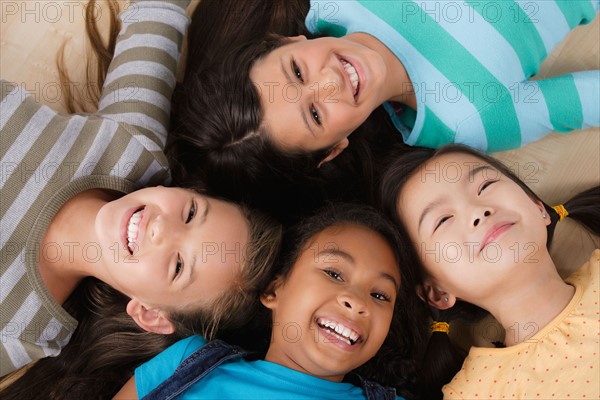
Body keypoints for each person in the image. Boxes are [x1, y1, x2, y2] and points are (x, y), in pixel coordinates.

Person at [0, 0, 282, 382]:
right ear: (187, 190)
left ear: (150, 314)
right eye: (191, 213)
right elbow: (159, 11)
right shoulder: (133, 152)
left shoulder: (25, 331)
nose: (162, 229)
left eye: (179, 265)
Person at [163, 0, 599, 214]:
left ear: (286, 40)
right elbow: (586, 100)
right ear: (334, 148)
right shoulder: (468, 120)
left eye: (297, 71)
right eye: (315, 115)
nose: (329, 82)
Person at [113, 204, 429, 400]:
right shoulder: (188, 363)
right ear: (274, 290)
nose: (356, 302)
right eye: (334, 273)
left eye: (379, 296)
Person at [379, 144, 600, 399]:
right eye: (443, 220)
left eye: (484, 186)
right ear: (437, 293)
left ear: (539, 208)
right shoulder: (477, 393)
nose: (478, 211)